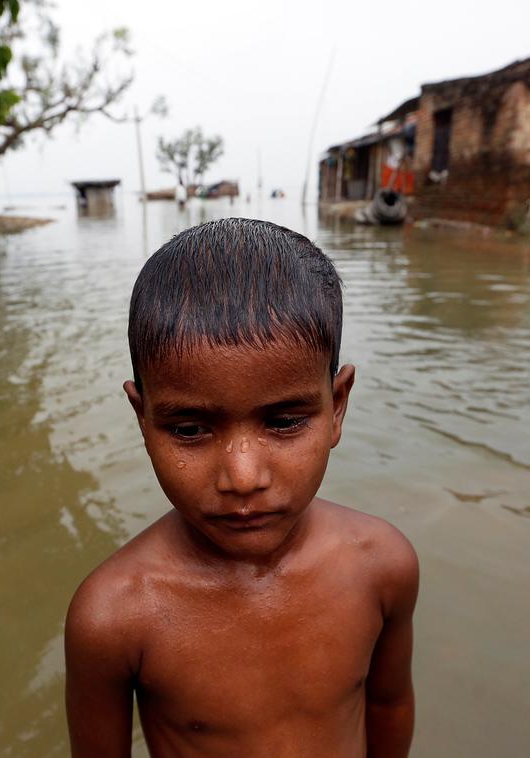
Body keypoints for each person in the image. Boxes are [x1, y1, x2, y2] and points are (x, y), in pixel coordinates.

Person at [65, 218, 419, 757]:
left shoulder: (383, 566)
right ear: (143, 419)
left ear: (337, 405)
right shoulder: (114, 615)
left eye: (283, 422)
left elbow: (389, 706)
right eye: (189, 430)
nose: (243, 477)